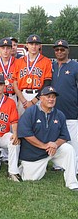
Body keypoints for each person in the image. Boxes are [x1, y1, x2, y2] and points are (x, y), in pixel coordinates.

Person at [18, 86, 78, 191]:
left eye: (53, 97)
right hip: (34, 154)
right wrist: (44, 145)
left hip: (52, 150)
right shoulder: (30, 112)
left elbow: (64, 136)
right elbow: (25, 134)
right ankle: (23, 167)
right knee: (30, 179)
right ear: (41, 98)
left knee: (69, 149)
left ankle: (72, 183)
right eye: (48, 96)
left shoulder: (59, 114)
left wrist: (55, 144)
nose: (51, 99)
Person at [51, 39, 78, 171]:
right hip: (55, 110)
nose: (60, 52)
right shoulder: (53, 66)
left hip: (71, 110)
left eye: (62, 49)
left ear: (68, 50)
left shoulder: (75, 66)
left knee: (73, 141)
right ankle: (58, 165)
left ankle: (74, 168)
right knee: (57, 138)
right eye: (57, 49)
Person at [12, 34, 52, 116]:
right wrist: (23, 100)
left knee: (39, 124)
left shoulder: (46, 61)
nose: (34, 46)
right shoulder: (19, 61)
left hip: (39, 96)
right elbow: (15, 83)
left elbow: (47, 83)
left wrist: (34, 100)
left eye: (36, 44)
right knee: (22, 124)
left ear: (40, 46)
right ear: (27, 45)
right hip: (23, 95)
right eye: (31, 44)